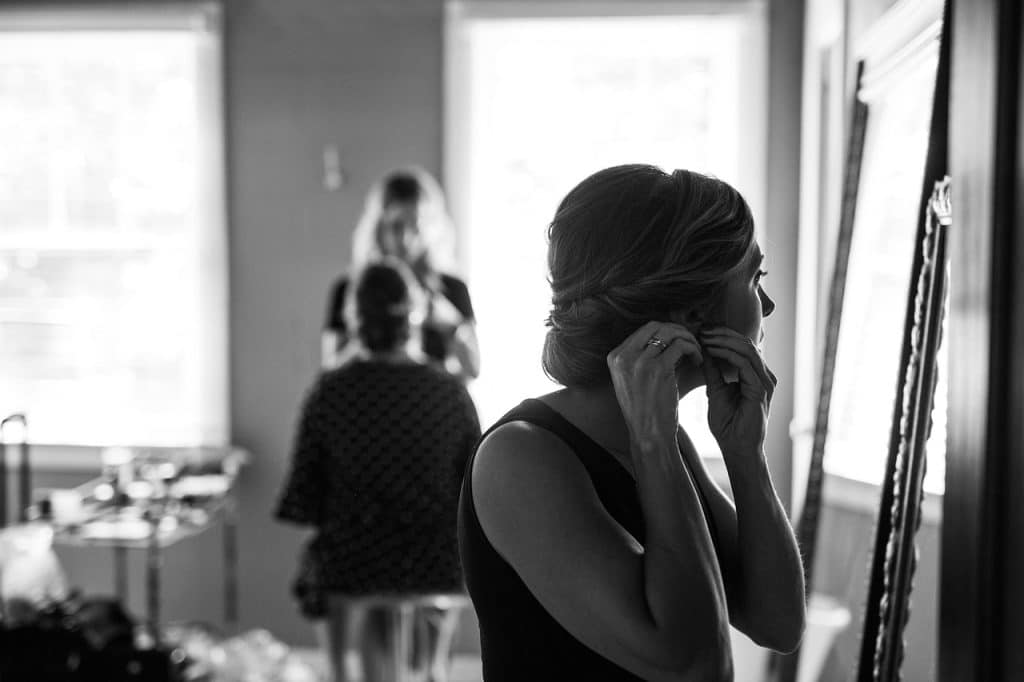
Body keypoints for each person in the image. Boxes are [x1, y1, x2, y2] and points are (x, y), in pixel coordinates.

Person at [458, 164, 806, 680]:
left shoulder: (668, 444)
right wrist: (654, 445)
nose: (769, 305)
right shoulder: (519, 457)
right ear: (691, 309)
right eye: (755, 279)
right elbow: (697, 667)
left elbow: (778, 624)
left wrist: (745, 456)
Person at [278, 258, 482, 681]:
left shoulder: (330, 390)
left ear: (354, 319)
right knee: (435, 557)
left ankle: (339, 672)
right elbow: (472, 489)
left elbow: (304, 497)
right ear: (416, 317)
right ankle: (432, 671)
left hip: (355, 560)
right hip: (434, 562)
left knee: (332, 559)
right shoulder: (450, 392)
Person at [322, 168, 480, 381]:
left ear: (431, 227)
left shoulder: (452, 288)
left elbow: (473, 370)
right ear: (379, 226)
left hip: (434, 407)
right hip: (367, 405)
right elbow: (330, 370)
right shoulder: (349, 289)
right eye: (396, 226)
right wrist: (369, 325)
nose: (405, 239)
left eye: (415, 226)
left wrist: (450, 324)